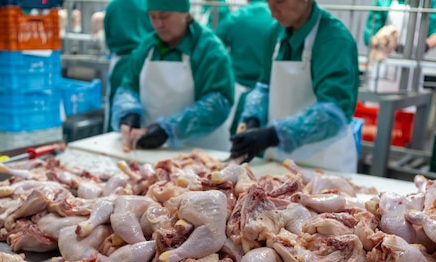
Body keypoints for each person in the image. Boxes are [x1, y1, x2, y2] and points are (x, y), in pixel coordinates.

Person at [229, 0, 360, 173]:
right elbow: (264, 87)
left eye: (280, 1)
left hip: (325, 165)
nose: (272, 10)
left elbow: (333, 114)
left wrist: (275, 135)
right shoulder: (275, 33)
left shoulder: (334, 39)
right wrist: (254, 118)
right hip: (279, 161)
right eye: (269, 1)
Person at [111, 0, 235, 152]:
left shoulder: (209, 50)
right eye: (152, 16)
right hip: (150, 150)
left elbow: (217, 104)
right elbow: (129, 87)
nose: (158, 25)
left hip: (202, 152)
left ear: (185, 13)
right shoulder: (147, 46)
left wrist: (171, 128)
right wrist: (128, 113)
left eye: (164, 16)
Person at [215, 0, 275, 135]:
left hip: (238, 91)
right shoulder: (276, 20)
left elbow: (215, 48)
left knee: (236, 139)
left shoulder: (237, 17)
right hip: (270, 94)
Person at [103, 0, 154, 132]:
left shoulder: (113, 6)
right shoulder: (149, 5)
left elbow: (108, 38)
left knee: (118, 117)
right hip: (147, 62)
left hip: (120, 65)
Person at [364, 0, 436, 55]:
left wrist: (423, 46)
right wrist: (383, 43)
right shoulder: (383, 1)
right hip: (384, 60)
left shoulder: (431, 2)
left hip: (414, 62)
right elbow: (370, 34)